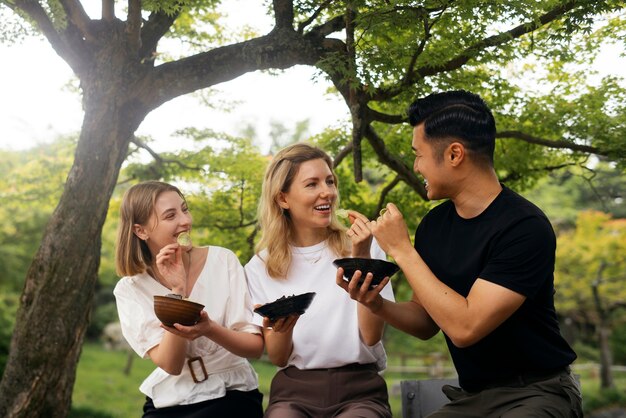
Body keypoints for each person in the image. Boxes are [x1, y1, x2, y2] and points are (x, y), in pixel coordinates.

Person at [342, 90, 583, 417]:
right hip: (473, 397)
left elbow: (466, 327)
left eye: (419, 154)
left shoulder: (525, 227)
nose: (416, 166)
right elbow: (426, 321)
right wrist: (376, 302)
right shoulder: (434, 225)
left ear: (454, 154)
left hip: (537, 392)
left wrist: (400, 249)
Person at [244, 143, 395, 418]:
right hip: (293, 392)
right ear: (283, 199)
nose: (327, 191)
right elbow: (278, 357)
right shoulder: (260, 267)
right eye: (312, 184)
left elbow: (372, 337)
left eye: (329, 181)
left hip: (360, 389)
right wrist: (283, 327)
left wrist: (361, 258)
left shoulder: (364, 245)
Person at [113, 180, 264, 418]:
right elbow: (171, 364)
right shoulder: (130, 289)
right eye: (170, 215)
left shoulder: (223, 261)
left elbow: (255, 347)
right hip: (170, 398)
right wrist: (177, 292)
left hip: (232, 393)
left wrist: (209, 329)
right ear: (141, 231)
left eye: (184, 209)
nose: (185, 221)